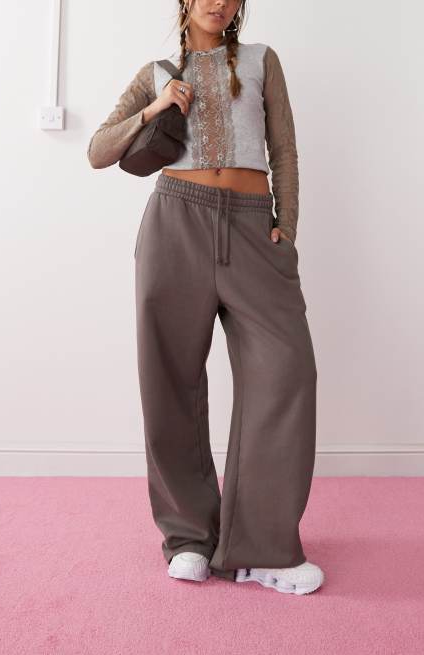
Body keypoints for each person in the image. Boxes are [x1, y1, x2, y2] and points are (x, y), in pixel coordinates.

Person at [87, 0, 324, 596]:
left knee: (286, 371)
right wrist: (155, 105)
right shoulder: (155, 72)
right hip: (175, 224)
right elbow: (98, 150)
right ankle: (189, 537)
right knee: (170, 380)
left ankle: (263, 548)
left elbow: (284, 149)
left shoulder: (263, 61)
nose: (219, 1)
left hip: (253, 226)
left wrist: (287, 227)